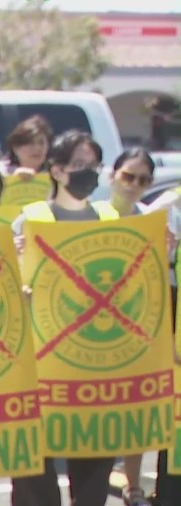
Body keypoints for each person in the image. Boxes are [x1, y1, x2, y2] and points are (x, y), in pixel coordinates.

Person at [10, 130, 118, 506]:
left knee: (95, 459)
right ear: (56, 170)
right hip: (43, 362)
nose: (88, 172)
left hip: (95, 359)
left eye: (94, 165)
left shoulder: (110, 217)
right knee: (35, 463)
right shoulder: (30, 220)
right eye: (79, 164)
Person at [105, 148, 157, 506]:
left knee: (133, 405)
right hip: (93, 326)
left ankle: (133, 484)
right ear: (112, 175)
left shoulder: (154, 221)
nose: (134, 185)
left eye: (143, 180)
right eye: (128, 176)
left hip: (136, 324)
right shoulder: (90, 215)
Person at [0, 114, 53, 180]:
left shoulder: (56, 173)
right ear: (15, 148)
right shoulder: (0, 173)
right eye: (30, 143)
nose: (37, 148)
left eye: (41, 143)